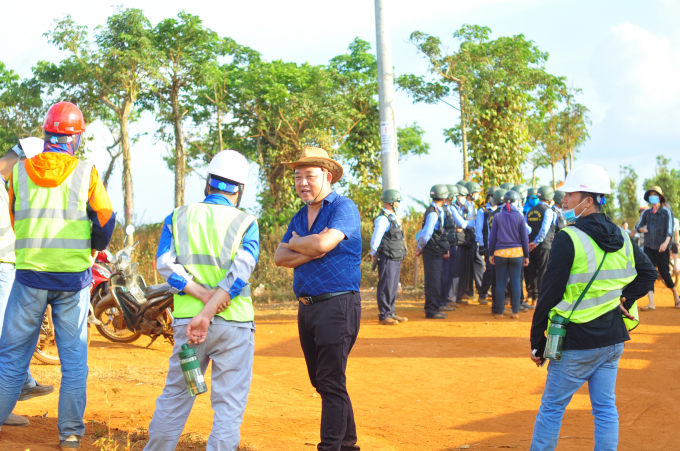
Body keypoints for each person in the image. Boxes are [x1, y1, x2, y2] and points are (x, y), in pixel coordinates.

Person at [0, 102, 116, 450]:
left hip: (29, 277)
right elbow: (105, 222)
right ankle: (69, 435)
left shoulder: (19, 172)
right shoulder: (87, 173)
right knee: (74, 360)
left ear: (46, 134)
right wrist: (90, 245)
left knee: (12, 358)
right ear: (75, 138)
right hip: (71, 282)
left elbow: (16, 218)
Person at [529, 164, 657, 451]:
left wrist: (537, 343)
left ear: (587, 200)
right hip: (612, 340)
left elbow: (548, 296)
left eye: (569, 194)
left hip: (576, 342)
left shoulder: (569, 237)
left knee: (551, 409)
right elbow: (648, 274)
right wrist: (626, 298)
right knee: (605, 410)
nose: (563, 200)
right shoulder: (623, 237)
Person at [146, 150, 259, 451]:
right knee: (228, 406)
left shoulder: (178, 217)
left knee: (178, 395)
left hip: (190, 332)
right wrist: (210, 309)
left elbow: (165, 265)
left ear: (209, 183)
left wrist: (199, 297)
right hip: (233, 330)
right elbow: (239, 274)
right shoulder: (246, 223)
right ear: (240, 189)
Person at [274, 146, 362, 451]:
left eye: (309, 176)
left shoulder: (343, 208)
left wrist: (305, 244)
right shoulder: (299, 216)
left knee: (330, 380)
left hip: (338, 305)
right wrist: (309, 247)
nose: (302, 183)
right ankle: (349, 444)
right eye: (298, 177)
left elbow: (326, 242)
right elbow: (279, 257)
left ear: (327, 175)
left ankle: (330, 447)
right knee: (323, 381)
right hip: (307, 309)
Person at [0, 141, 55, 428]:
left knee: (12, 335)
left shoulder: (7, 185)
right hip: (3, 268)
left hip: (11, 267)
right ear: (20, 158)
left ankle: (20, 384)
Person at [634, 186, 679, 310]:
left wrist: (665, 243)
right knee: (649, 273)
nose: (652, 197)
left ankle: (676, 296)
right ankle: (651, 303)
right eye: (650, 195)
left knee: (664, 273)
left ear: (659, 197)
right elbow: (637, 226)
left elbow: (670, 231)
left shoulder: (667, 212)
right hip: (649, 247)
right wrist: (642, 229)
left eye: (655, 194)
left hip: (662, 247)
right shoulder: (647, 213)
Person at [488, 190, 530, 318]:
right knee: (516, 282)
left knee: (500, 283)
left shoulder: (497, 216)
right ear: (515, 202)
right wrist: (526, 255)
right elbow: (524, 238)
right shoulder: (519, 216)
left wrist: (491, 253)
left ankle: (500, 313)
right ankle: (515, 312)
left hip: (500, 252)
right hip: (516, 253)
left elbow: (492, 237)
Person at [369, 189, 408, 325]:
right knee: (386, 285)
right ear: (391, 202)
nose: (398, 203)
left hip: (395, 256)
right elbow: (376, 239)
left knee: (392, 285)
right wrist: (374, 253)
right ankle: (385, 315)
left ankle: (391, 311)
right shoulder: (383, 219)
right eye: (397, 201)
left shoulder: (392, 217)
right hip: (387, 257)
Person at [415, 184, 450, 319]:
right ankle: (431, 310)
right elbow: (426, 234)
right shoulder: (433, 213)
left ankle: (434, 308)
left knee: (436, 280)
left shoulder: (435, 211)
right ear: (444, 197)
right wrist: (420, 247)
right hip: (432, 251)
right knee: (433, 281)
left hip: (435, 251)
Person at [524, 186, 557, 309]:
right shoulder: (549, 211)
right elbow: (545, 228)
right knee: (542, 271)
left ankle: (532, 297)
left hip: (530, 246)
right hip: (543, 246)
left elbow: (525, 228)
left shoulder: (530, 211)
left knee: (531, 271)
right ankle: (539, 299)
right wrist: (537, 242)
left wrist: (529, 243)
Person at [441, 184, 469, 310]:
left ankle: (445, 300)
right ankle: (443, 300)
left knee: (450, 272)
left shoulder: (447, 209)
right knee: (446, 273)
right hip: (448, 245)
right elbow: (461, 223)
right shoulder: (448, 209)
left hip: (451, 244)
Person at [475, 186, 499, 304]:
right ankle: (483, 293)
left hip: (499, 245)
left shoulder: (500, 211)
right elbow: (479, 229)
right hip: (487, 243)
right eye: (491, 196)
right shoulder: (483, 211)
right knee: (489, 269)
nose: (493, 198)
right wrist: (481, 245)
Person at [465, 181, 486, 301]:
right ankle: (473, 290)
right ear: (470, 193)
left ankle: (480, 288)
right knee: (473, 265)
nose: (477, 195)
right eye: (476, 192)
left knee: (478, 264)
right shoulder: (465, 206)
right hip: (468, 237)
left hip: (473, 237)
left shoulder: (473, 206)